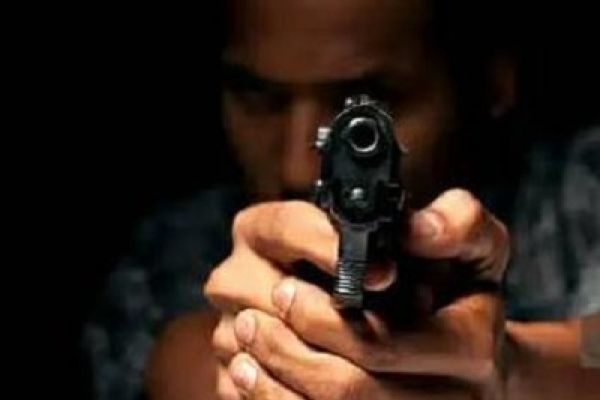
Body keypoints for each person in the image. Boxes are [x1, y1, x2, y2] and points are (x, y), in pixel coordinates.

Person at [83, 1, 600, 399]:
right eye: (260, 98)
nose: (298, 167)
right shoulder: (170, 252)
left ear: (491, 82)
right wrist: (212, 363)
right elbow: (155, 363)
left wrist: (515, 365)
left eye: (365, 107)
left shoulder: (581, 195)